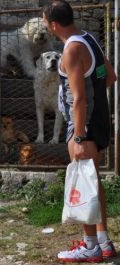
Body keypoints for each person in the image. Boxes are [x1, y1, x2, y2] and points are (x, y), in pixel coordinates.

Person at [42, 1, 117, 263]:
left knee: (85, 185)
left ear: (52, 24)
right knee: (92, 182)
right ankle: (104, 242)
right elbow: (110, 76)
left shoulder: (72, 49)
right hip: (97, 122)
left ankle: (90, 246)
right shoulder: (89, 40)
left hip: (81, 125)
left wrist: (80, 135)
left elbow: (80, 98)